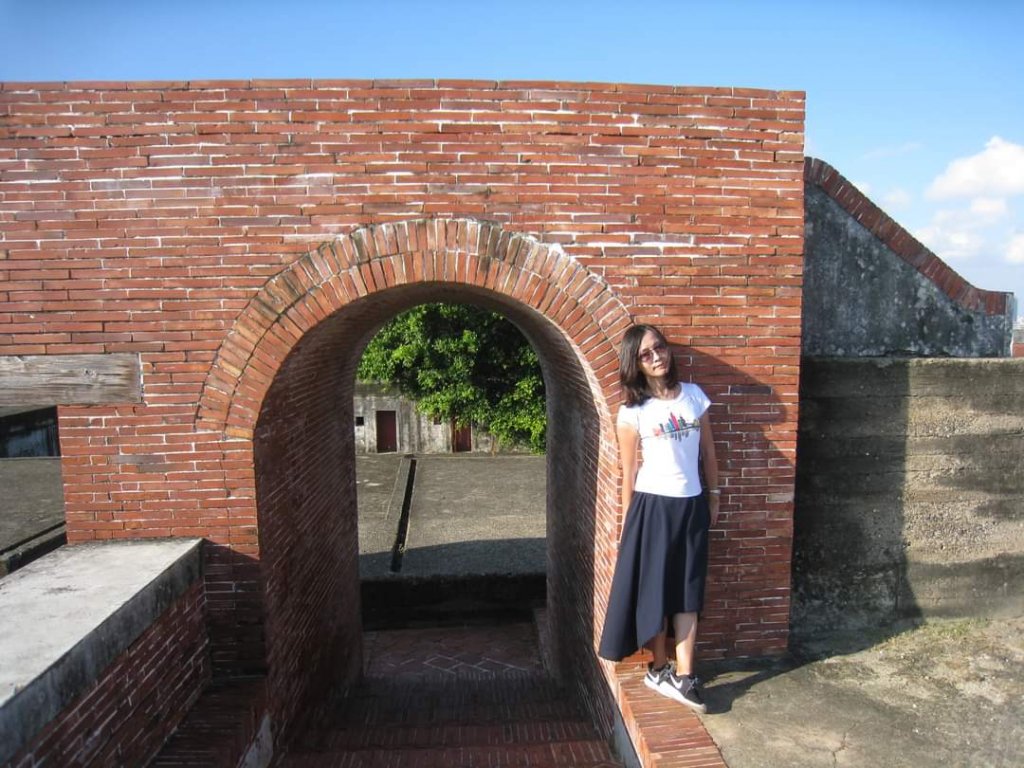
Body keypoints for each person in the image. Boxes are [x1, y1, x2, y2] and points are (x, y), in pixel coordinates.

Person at [598, 324, 720, 714]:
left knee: (688, 590)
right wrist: (629, 521)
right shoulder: (633, 412)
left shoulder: (695, 398)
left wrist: (713, 496)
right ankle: (659, 668)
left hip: (691, 504)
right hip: (653, 507)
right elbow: (629, 469)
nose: (656, 356)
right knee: (656, 591)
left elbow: (709, 455)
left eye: (660, 348)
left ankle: (686, 677)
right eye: (646, 354)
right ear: (635, 363)